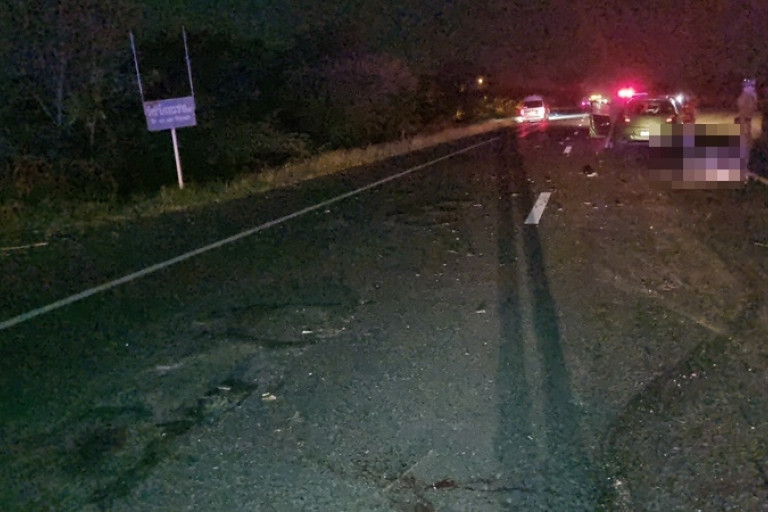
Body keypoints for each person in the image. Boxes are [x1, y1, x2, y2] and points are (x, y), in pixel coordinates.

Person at [737, 78, 758, 175]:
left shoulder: (748, 96)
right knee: (745, 144)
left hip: (746, 122)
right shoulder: (746, 96)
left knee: (747, 144)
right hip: (744, 122)